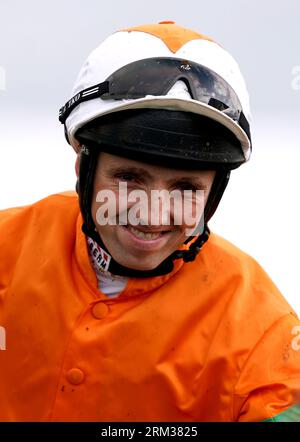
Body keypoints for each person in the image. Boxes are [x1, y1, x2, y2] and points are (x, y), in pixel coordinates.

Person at [0, 21, 299, 422]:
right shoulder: (7, 249)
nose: (153, 213)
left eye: (186, 187)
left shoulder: (266, 336)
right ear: (82, 169)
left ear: (214, 194)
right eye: (128, 178)